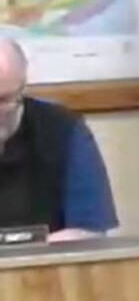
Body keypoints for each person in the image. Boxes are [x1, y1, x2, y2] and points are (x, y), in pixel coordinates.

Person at [0, 37, 119, 242]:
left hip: (44, 268)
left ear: (22, 90)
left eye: (3, 100)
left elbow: (90, 231)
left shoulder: (63, 130)